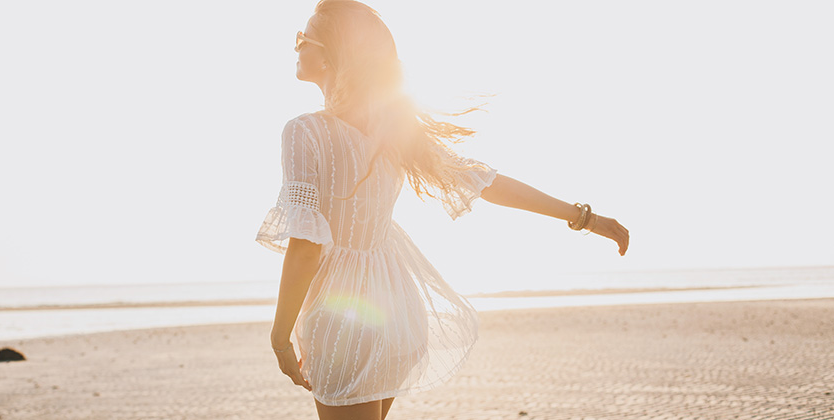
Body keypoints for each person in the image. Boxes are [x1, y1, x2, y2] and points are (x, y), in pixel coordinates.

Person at [255, 1, 630, 419]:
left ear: (330, 55)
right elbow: (488, 184)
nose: (296, 47)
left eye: (302, 38)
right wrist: (583, 218)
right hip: (397, 308)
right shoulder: (394, 131)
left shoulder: (303, 131)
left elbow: (307, 243)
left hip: (344, 316)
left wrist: (279, 337)